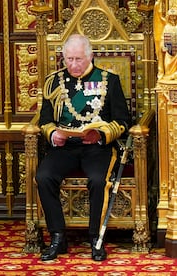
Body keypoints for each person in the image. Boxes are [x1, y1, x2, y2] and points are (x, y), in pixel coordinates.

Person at [35, 34, 131, 261]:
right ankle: (58, 238)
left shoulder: (109, 80)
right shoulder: (54, 83)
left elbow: (124, 121)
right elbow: (44, 120)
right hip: (65, 146)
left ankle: (95, 239)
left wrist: (101, 134)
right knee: (44, 176)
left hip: (97, 146)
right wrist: (53, 134)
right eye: (68, 59)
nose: (73, 65)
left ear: (90, 57)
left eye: (78, 59)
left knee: (98, 181)